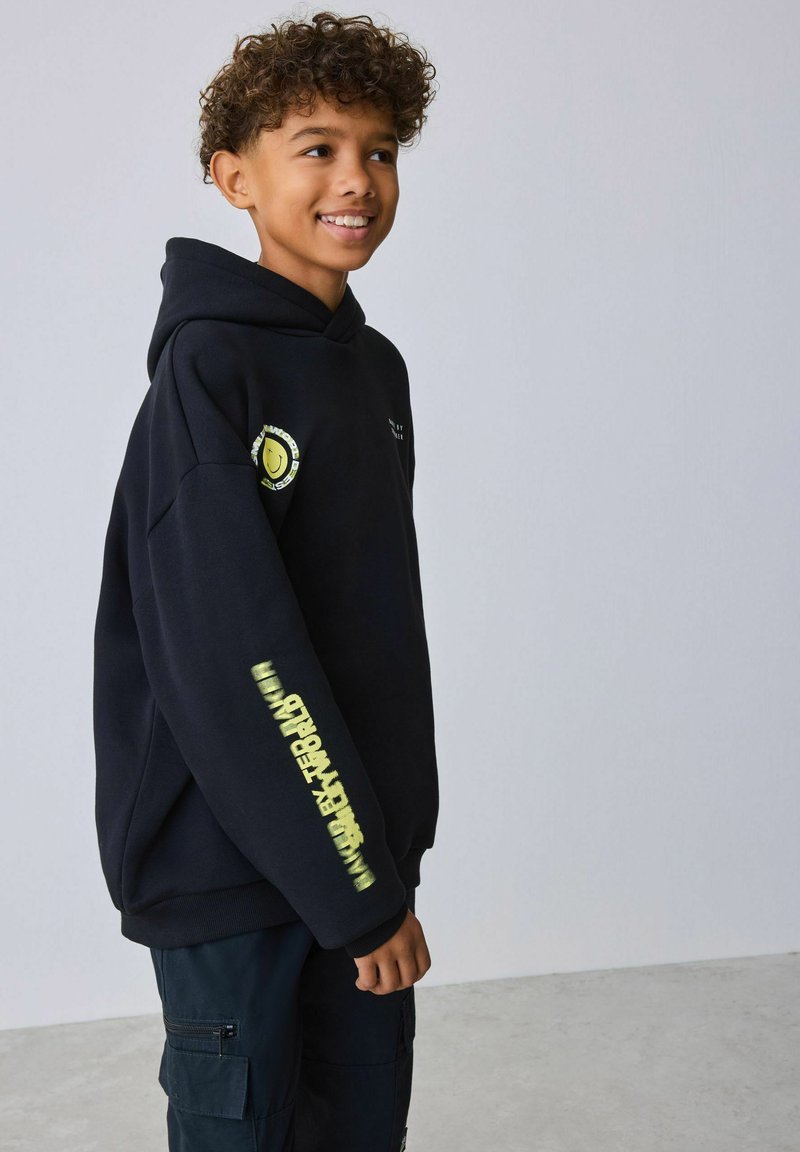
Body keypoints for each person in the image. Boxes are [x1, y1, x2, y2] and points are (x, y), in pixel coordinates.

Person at [92, 10, 440, 1151]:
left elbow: (369, 631)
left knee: (361, 1127)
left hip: (357, 857)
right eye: (317, 148)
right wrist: (358, 893)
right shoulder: (210, 368)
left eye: (379, 150)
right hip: (229, 871)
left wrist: (382, 863)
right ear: (234, 177)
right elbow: (236, 654)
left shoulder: (372, 370)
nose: (356, 180)